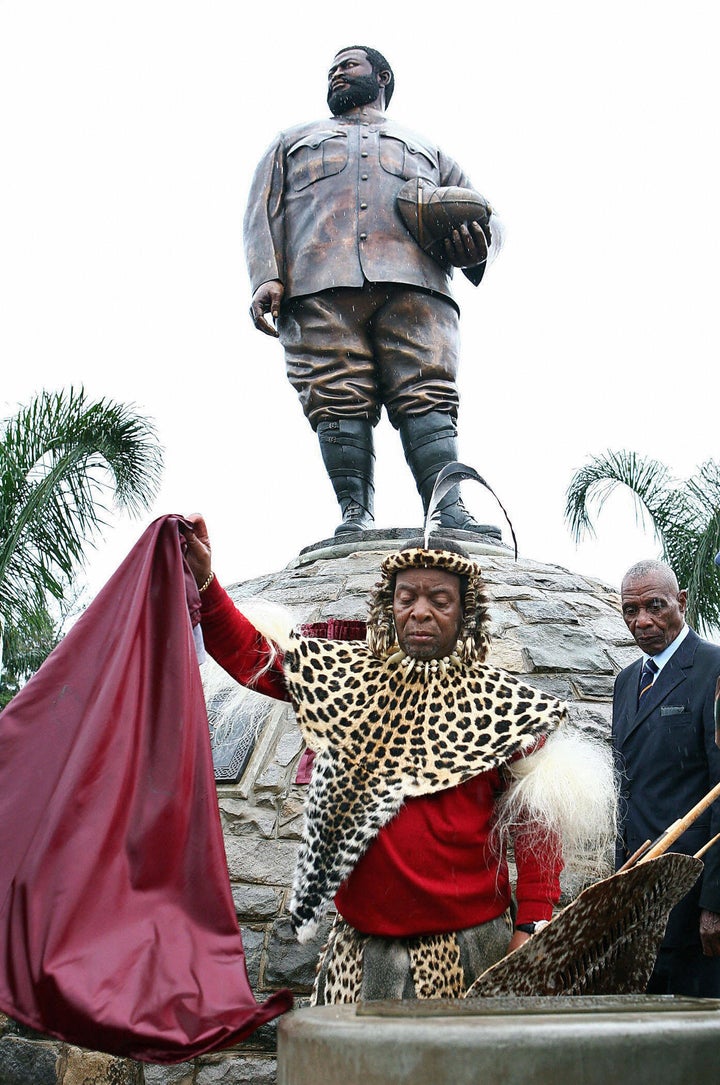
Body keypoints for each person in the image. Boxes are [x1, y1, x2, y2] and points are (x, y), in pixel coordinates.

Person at [183, 516, 615, 1002]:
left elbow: (537, 834)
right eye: (407, 598)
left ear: (466, 612)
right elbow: (251, 657)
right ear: (389, 607)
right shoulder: (346, 683)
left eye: (439, 600)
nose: (420, 612)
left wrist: (530, 930)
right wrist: (204, 581)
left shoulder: (507, 708)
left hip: (464, 953)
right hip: (357, 956)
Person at [243, 45, 501, 538]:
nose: (337, 73)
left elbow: (486, 221)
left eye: (349, 65)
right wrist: (265, 276)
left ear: (382, 76)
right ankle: (354, 514)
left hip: (416, 289)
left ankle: (449, 510)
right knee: (334, 394)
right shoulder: (290, 141)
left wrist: (473, 247)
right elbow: (261, 215)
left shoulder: (429, 148)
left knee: (427, 391)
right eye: (331, 69)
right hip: (319, 288)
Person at [613, 559, 720, 996]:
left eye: (655, 606)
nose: (642, 621)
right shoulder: (624, 683)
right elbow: (626, 789)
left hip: (693, 901)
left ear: (682, 602)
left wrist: (715, 903)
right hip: (637, 896)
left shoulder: (714, 669)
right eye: (630, 610)